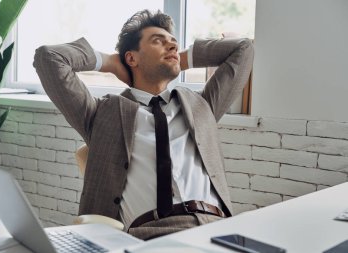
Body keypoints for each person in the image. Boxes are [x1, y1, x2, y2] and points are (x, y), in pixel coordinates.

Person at [34, 9, 253, 240]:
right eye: (158, 41)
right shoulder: (103, 115)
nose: (171, 46)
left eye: (174, 43)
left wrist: (181, 59)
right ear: (131, 58)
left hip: (216, 228)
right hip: (149, 236)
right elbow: (48, 58)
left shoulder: (201, 105)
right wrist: (110, 62)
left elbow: (243, 50)